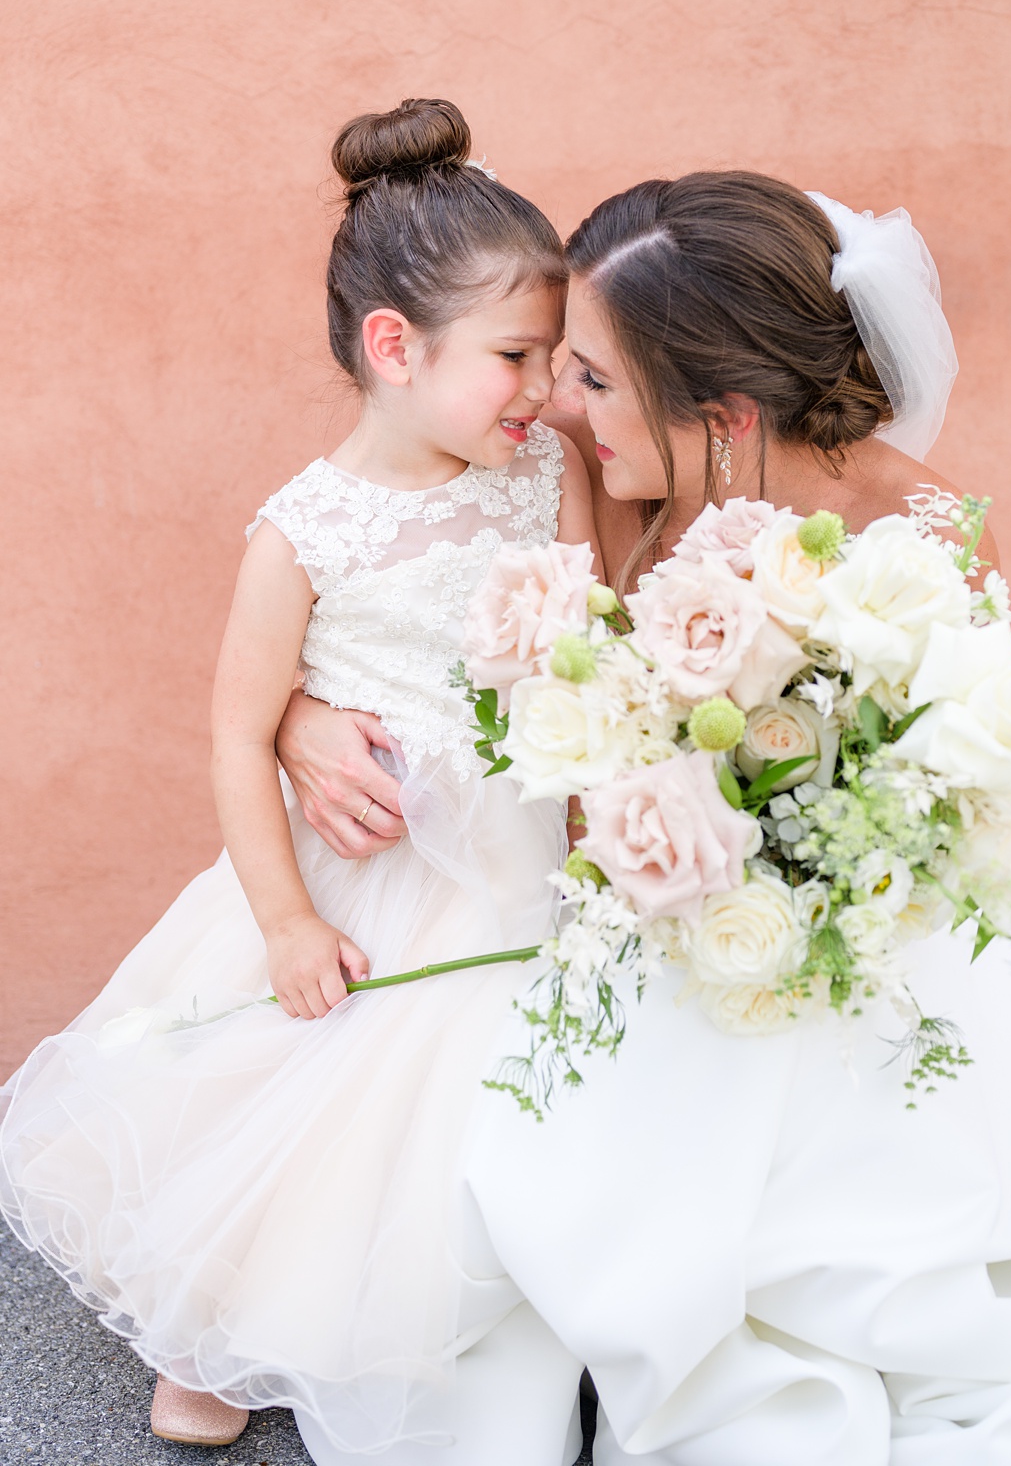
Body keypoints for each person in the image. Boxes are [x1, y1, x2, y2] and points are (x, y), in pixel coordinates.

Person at [285, 172, 1011, 1464]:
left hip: (864, 938)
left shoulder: (922, 535)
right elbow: (394, 604)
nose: (556, 403)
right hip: (632, 925)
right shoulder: (616, 484)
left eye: (593, 378)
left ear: (721, 412)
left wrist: (787, 868)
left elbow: (962, 797)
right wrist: (299, 718)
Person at [0, 99, 590, 1448]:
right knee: (320, 1099)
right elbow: (234, 726)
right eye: (516, 357)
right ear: (396, 347)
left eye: (553, 359)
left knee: (469, 1117)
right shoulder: (306, 531)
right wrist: (283, 919)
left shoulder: (538, 478)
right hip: (367, 883)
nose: (545, 389)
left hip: (521, 863)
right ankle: (221, 1320)